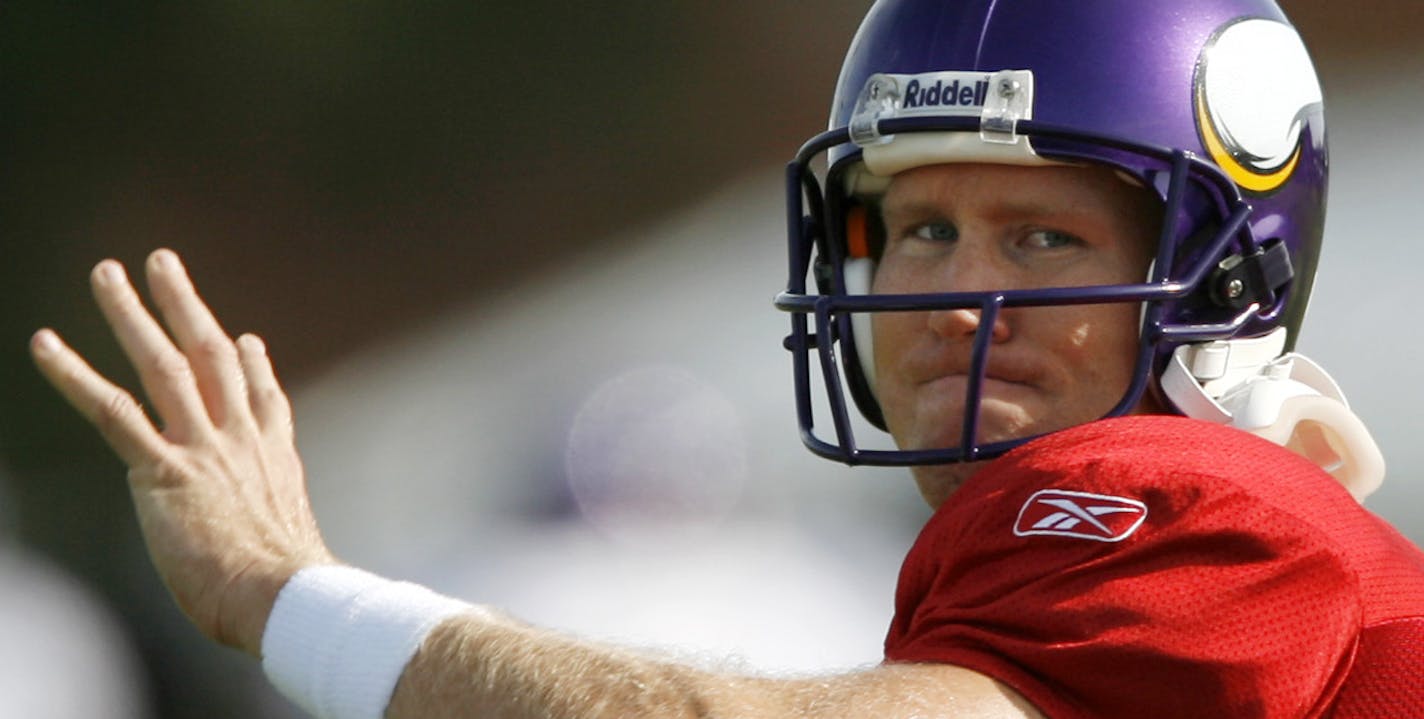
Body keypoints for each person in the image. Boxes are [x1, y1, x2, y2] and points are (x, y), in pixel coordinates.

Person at [29, 1, 1424, 717]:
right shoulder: (1058, 557)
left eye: (1044, 238)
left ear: (1224, 271)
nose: (951, 293)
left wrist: (291, 599)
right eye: (921, 225)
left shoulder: (1193, 502)